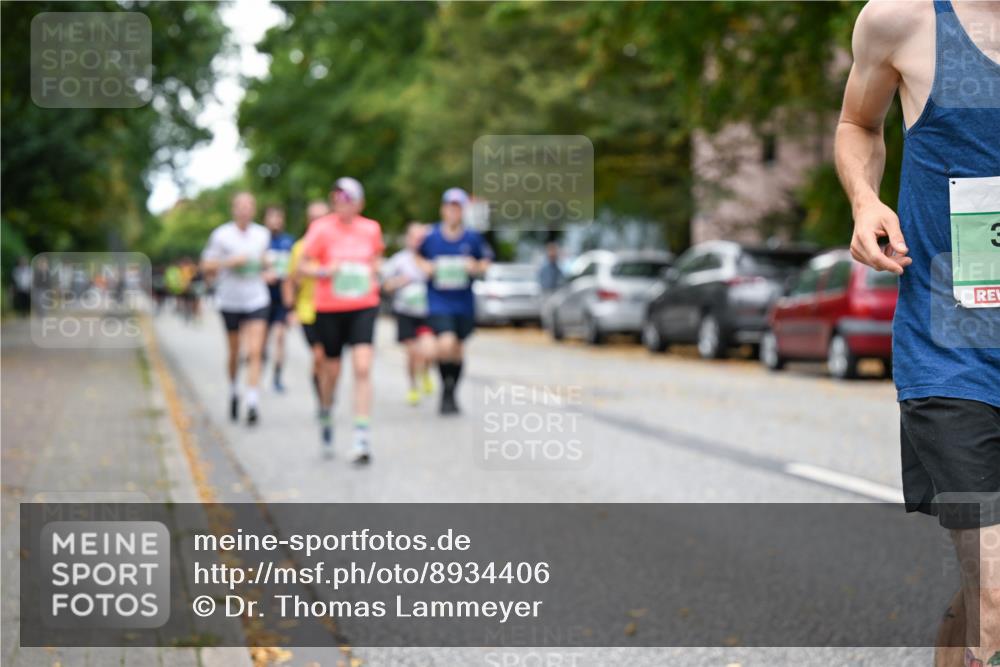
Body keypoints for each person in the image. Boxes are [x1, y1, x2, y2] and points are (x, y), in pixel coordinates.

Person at [834, 3, 999, 666]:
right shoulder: (902, 20)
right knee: (994, 595)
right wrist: (865, 199)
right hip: (952, 351)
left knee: (978, 594)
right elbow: (857, 123)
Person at [302, 178, 384, 463]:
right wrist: (325, 271)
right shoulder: (320, 228)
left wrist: (374, 269)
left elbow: (377, 260)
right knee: (331, 370)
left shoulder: (371, 228)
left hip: (363, 304)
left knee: (362, 367)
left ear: (359, 203)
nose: (342, 202)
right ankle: (326, 409)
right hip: (330, 307)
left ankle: (362, 438)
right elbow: (303, 265)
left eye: (348, 198)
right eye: (337, 197)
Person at [416, 187, 492, 415]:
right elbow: (417, 256)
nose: (453, 213)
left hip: (463, 303)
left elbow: (486, 262)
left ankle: (450, 392)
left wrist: (475, 267)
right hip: (439, 301)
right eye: (449, 208)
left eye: (457, 209)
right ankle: (445, 390)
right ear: (443, 210)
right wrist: (426, 267)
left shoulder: (472, 237)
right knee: (445, 344)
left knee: (458, 350)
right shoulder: (431, 237)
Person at [200, 191, 272, 426]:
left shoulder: (262, 234)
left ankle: (252, 402)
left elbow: (265, 262)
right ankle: (233, 390)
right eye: (240, 206)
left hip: (257, 299)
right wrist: (230, 262)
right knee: (235, 352)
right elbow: (206, 266)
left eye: (249, 205)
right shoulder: (221, 235)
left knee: (255, 351)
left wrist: (266, 268)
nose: (244, 210)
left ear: (254, 209)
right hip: (230, 300)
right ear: (233, 209)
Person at [382, 222, 435, 406]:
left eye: (421, 238)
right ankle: (413, 386)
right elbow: (385, 286)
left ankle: (427, 371)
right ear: (407, 238)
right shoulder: (399, 260)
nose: (417, 241)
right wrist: (398, 282)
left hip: (427, 311)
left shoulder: (432, 258)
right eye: (414, 237)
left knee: (428, 351)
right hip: (405, 312)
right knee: (413, 353)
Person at [284, 200, 330, 414]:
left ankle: (327, 392)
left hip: (333, 310)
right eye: (314, 218)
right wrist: (290, 310)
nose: (318, 222)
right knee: (319, 355)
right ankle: (322, 400)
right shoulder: (299, 248)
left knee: (330, 360)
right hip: (308, 310)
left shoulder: (335, 245)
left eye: (322, 218)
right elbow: (291, 280)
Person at [263, 205, 296, 393]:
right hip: (262, 298)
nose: (275, 221)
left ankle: (277, 377)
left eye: (279, 217)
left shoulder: (289, 242)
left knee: (280, 338)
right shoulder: (259, 240)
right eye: (272, 217)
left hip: (282, 299)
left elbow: (293, 272)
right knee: (260, 341)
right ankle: (257, 371)